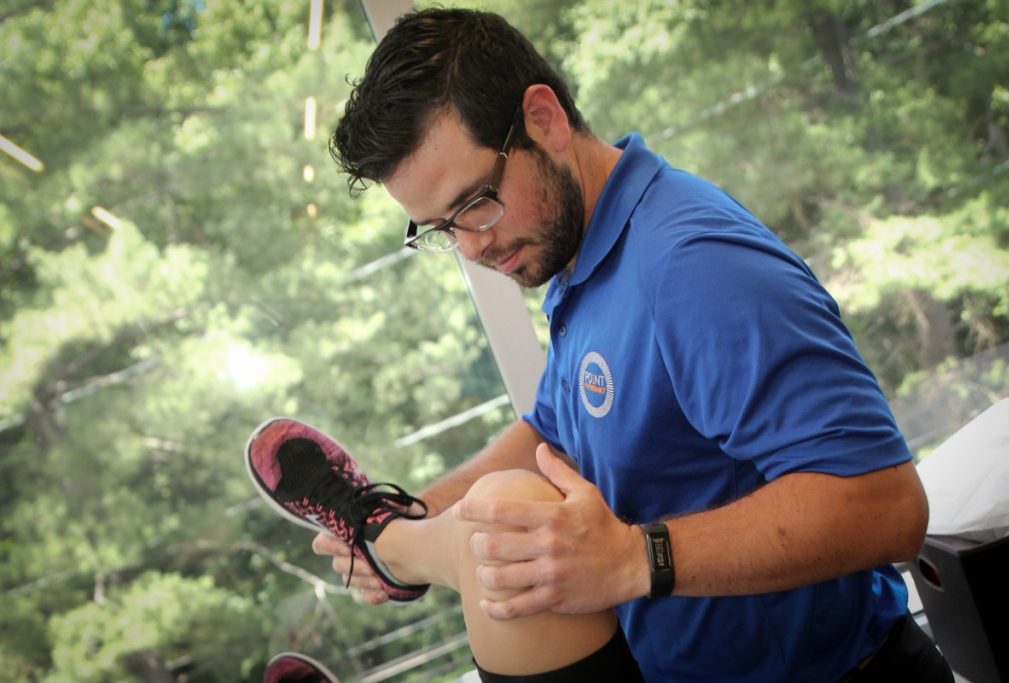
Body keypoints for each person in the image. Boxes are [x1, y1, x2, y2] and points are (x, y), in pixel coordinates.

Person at [317, 7, 955, 682]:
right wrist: (424, 504)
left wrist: (633, 559)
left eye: (474, 203)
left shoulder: (691, 265)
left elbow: (888, 505)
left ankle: (403, 549)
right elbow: (554, 438)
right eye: (443, 229)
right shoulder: (583, 253)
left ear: (544, 119)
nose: (472, 247)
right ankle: (397, 534)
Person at [246, 417, 645, 681]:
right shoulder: (569, 305)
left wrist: (636, 558)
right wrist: (421, 512)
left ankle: (386, 545)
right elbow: (548, 434)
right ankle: (387, 541)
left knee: (512, 523)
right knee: (511, 520)